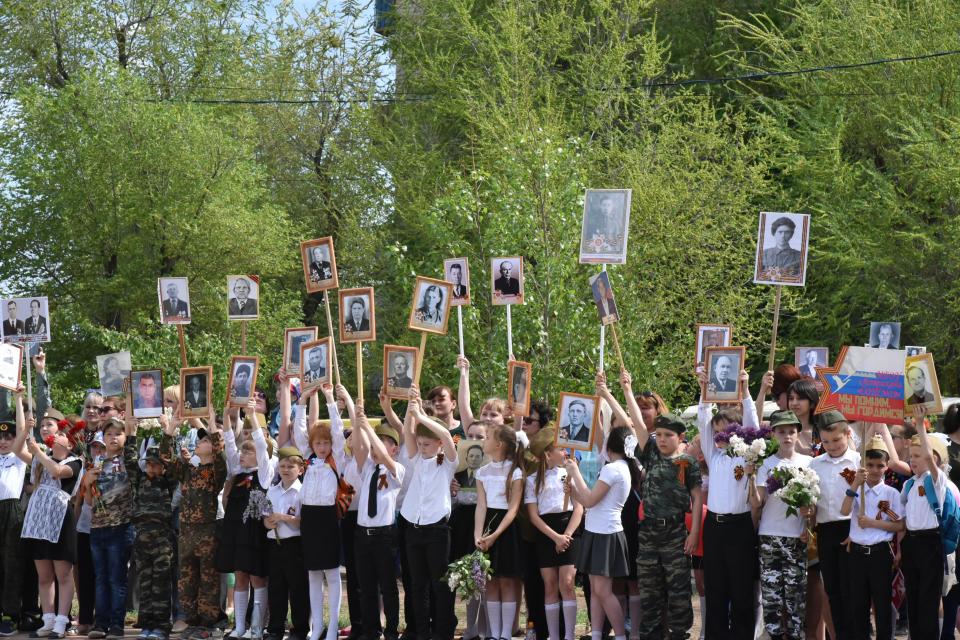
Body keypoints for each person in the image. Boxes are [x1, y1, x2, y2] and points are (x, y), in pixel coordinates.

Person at [696, 368, 760, 640]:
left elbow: (753, 424)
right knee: (716, 588)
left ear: (738, 432)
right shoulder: (714, 455)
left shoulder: (746, 454)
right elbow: (703, 421)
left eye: (726, 431)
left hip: (740, 526)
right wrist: (704, 392)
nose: (720, 436)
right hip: (714, 526)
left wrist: (745, 391)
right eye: (717, 432)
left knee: (742, 589)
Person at [17, 394, 83, 640]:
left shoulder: (75, 462)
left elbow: (56, 471)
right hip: (38, 521)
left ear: (69, 441)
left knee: (63, 574)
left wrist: (38, 453)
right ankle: (48, 620)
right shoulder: (40, 456)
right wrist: (26, 430)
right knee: (44, 575)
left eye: (54, 428)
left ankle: (62, 620)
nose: (48, 431)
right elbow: (17, 449)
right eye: (43, 426)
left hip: (61, 520)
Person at [633, 411, 703, 640]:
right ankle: (652, 634)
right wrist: (627, 393)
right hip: (649, 534)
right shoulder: (651, 454)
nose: (662, 439)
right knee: (649, 590)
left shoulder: (686, 463)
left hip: (674, 533)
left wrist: (694, 534)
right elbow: (638, 425)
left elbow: (697, 497)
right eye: (659, 434)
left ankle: (678, 633)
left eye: (668, 435)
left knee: (678, 591)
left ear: (680, 437)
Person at [565, 426, 638, 640]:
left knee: (603, 591)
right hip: (599, 530)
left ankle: (620, 635)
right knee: (596, 590)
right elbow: (592, 502)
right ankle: (597, 634)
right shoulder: (622, 467)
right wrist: (574, 492)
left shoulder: (613, 469)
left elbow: (590, 500)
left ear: (610, 446)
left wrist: (575, 472)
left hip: (604, 533)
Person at [292, 382, 352, 640]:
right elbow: (299, 432)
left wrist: (329, 399)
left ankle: (332, 628)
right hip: (309, 518)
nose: (322, 446)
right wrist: (302, 401)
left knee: (332, 573)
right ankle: (316, 627)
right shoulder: (308, 459)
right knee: (313, 573)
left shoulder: (336, 459)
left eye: (326, 443)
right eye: (318, 443)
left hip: (328, 519)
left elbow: (338, 432)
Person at [747, 410, 814, 640]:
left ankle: (796, 635)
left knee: (796, 594)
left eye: (791, 431)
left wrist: (809, 517)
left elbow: (814, 505)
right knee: (771, 595)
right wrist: (751, 477)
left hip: (796, 536)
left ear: (798, 433)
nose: (787, 436)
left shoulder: (809, 462)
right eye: (782, 431)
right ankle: (774, 635)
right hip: (769, 535)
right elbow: (757, 502)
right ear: (774, 434)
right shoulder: (766, 463)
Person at [398, 388, 459, 640]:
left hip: (436, 530)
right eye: (420, 443)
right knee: (417, 584)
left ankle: (442, 632)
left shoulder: (448, 463)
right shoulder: (416, 460)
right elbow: (407, 433)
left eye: (427, 444)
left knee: (440, 583)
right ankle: (422, 633)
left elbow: (445, 434)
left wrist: (422, 416)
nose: (422, 448)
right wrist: (411, 408)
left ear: (438, 444)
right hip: (413, 527)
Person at [162, 409, 227, 640]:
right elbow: (166, 459)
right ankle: (192, 621)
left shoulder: (216, 471)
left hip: (208, 532)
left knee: (208, 579)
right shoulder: (189, 470)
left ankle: (209, 623)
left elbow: (220, 453)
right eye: (200, 440)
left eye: (205, 441)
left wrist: (212, 425)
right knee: (187, 580)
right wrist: (171, 429)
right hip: (187, 532)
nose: (199, 443)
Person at [838, 435, 904, 640]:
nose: (875, 470)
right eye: (870, 465)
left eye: (880, 465)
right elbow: (844, 510)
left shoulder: (891, 493)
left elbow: (900, 524)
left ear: (887, 467)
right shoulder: (856, 489)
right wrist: (855, 485)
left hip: (880, 553)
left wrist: (872, 523)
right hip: (857, 553)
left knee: (882, 604)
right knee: (858, 604)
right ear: (863, 465)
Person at [218, 405, 274, 640]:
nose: (243, 454)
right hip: (236, 531)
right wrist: (226, 416)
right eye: (244, 451)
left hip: (255, 532)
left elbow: (261, 445)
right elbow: (230, 444)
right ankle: (239, 626)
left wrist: (251, 416)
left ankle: (257, 627)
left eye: (248, 452)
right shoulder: (237, 471)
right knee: (240, 576)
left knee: (257, 577)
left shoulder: (265, 473)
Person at [525, 427, 582, 640]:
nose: (565, 452)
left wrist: (566, 535)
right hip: (546, 532)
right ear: (548, 454)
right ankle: (553, 636)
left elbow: (578, 508)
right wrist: (555, 537)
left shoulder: (569, 474)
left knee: (567, 583)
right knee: (549, 584)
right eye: (560, 448)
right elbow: (533, 516)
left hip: (568, 529)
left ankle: (569, 635)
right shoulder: (532, 480)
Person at [352, 407, 405, 640]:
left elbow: (383, 455)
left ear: (395, 449)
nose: (375, 450)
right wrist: (358, 422)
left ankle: (391, 630)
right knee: (366, 587)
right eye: (373, 446)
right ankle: (371, 630)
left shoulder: (396, 469)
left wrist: (368, 429)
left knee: (388, 586)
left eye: (381, 445)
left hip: (384, 534)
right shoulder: (367, 469)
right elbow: (358, 447)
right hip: (363, 534)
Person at [125, 414, 178, 640]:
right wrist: (131, 434)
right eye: (148, 463)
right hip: (142, 539)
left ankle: (161, 626)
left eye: (155, 464)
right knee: (145, 584)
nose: (151, 466)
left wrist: (167, 433)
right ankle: (146, 625)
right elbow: (129, 460)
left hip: (162, 540)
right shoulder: (139, 480)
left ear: (163, 467)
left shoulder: (168, 481)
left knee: (161, 584)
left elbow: (168, 457)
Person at [900, 405, 951, 639]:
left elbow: (930, 457)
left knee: (928, 601)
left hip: (931, 544)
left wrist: (920, 425)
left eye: (917, 456)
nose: (913, 461)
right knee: (912, 597)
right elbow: (903, 518)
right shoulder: (909, 484)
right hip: (911, 544)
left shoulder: (936, 480)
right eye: (911, 456)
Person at [808, 410, 860, 640]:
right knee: (832, 589)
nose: (831, 446)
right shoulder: (815, 464)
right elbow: (813, 501)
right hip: (825, 530)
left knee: (851, 589)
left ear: (848, 434)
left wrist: (856, 530)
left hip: (850, 529)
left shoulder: (858, 460)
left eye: (836, 440)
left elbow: (865, 500)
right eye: (826, 441)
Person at [83, 417, 134, 639]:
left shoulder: (129, 460)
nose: (113, 438)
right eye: (109, 434)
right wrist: (87, 482)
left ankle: (116, 624)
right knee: (101, 578)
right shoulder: (97, 462)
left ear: (125, 437)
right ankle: (100, 624)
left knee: (116, 578)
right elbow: (88, 501)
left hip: (121, 527)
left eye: (118, 434)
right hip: (97, 527)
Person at [475, 425, 525, 640]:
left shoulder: (515, 472)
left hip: (507, 529)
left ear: (499, 444)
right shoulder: (482, 472)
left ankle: (506, 633)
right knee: (490, 581)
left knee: (507, 580)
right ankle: (494, 634)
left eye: (487, 437)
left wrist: (495, 535)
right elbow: (481, 506)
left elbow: (513, 509)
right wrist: (478, 535)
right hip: (487, 526)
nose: (483, 441)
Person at [263, 446, 309, 640]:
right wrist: (268, 523)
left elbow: (304, 522)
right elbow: (265, 519)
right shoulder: (272, 491)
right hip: (275, 545)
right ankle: (275, 628)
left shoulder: (303, 491)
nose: (285, 469)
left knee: (297, 588)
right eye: (282, 466)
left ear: (300, 469)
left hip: (294, 545)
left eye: (290, 466)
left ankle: (299, 630)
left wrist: (284, 517)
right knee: (276, 588)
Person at [0, 412, 26, 636]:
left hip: (11, 509)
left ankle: (10, 614)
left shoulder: (17, 457)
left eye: (8, 437)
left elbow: (22, 429)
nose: (3, 441)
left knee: (11, 563)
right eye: (0, 438)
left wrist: (18, 400)